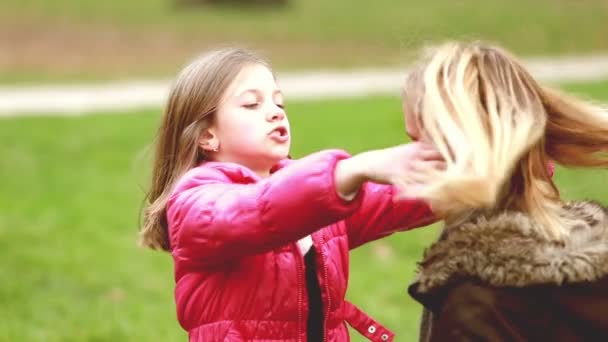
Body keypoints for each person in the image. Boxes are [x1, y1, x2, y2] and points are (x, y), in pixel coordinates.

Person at [139, 47, 444, 341]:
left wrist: (466, 166)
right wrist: (350, 171)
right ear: (207, 134)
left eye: (279, 103)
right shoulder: (195, 203)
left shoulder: (316, 196)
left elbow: (394, 197)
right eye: (251, 105)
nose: (274, 113)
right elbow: (257, 211)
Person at [401, 41, 608, 341]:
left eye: (418, 140)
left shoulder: (476, 302)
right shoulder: (591, 256)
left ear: (457, 145)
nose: (404, 159)